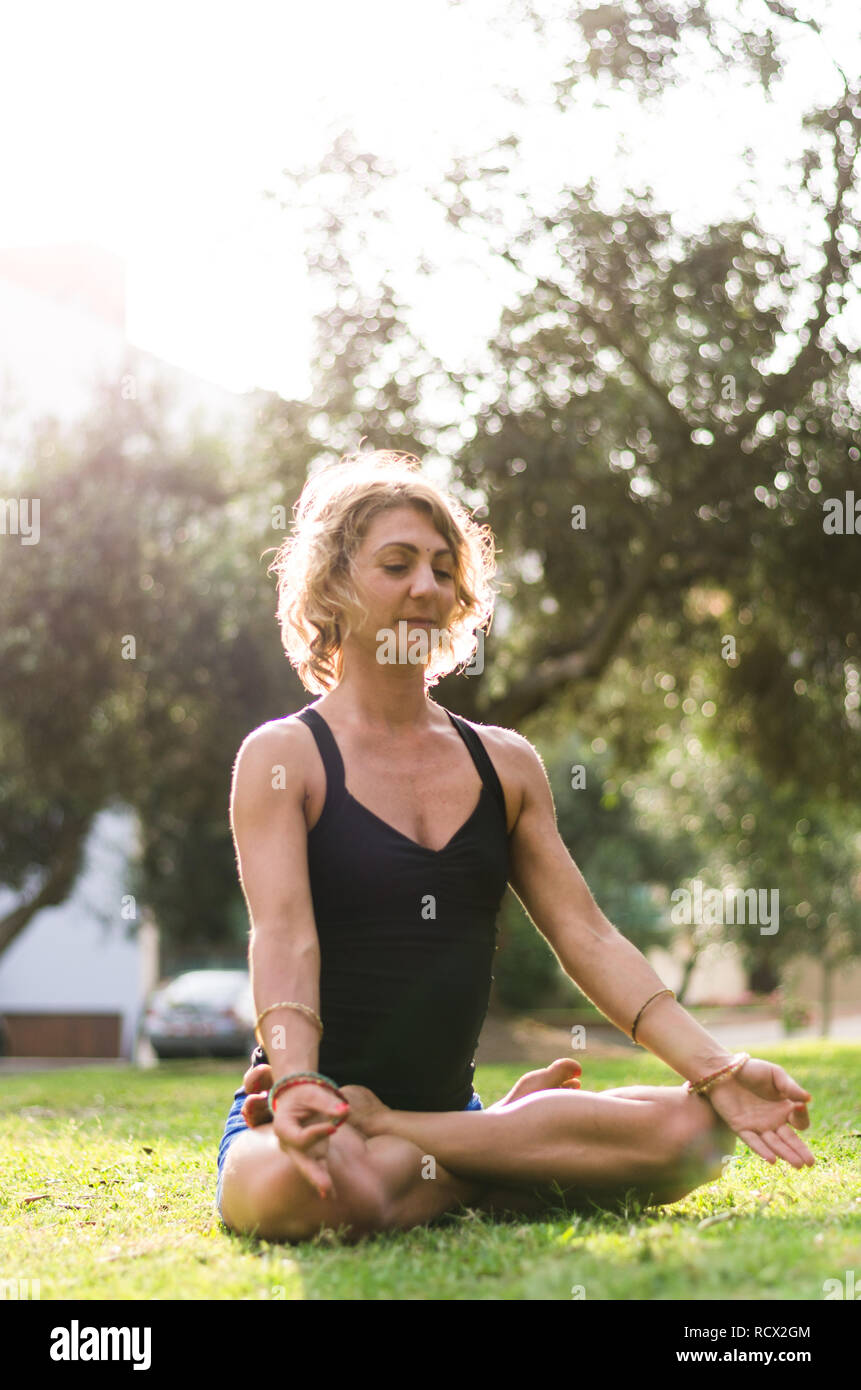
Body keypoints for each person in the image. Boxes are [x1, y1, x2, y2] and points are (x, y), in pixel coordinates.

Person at [215, 449, 814, 1244]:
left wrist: (718, 1070)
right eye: (396, 565)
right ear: (332, 584)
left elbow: (587, 935)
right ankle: (502, 1154)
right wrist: (295, 1083)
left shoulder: (504, 763)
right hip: (312, 1113)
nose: (425, 588)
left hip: (442, 1114)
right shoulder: (283, 757)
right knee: (293, 1191)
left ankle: (434, 1142)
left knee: (696, 1133)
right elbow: (284, 936)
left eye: (440, 567)